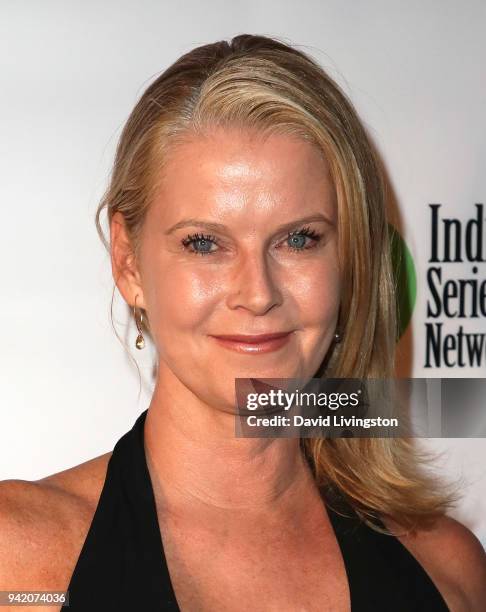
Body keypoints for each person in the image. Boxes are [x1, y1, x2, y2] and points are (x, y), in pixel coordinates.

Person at [0, 33, 485, 612]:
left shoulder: (447, 571)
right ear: (128, 262)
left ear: (350, 258)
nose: (258, 294)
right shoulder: (20, 563)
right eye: (204, 243)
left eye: (299, 239)